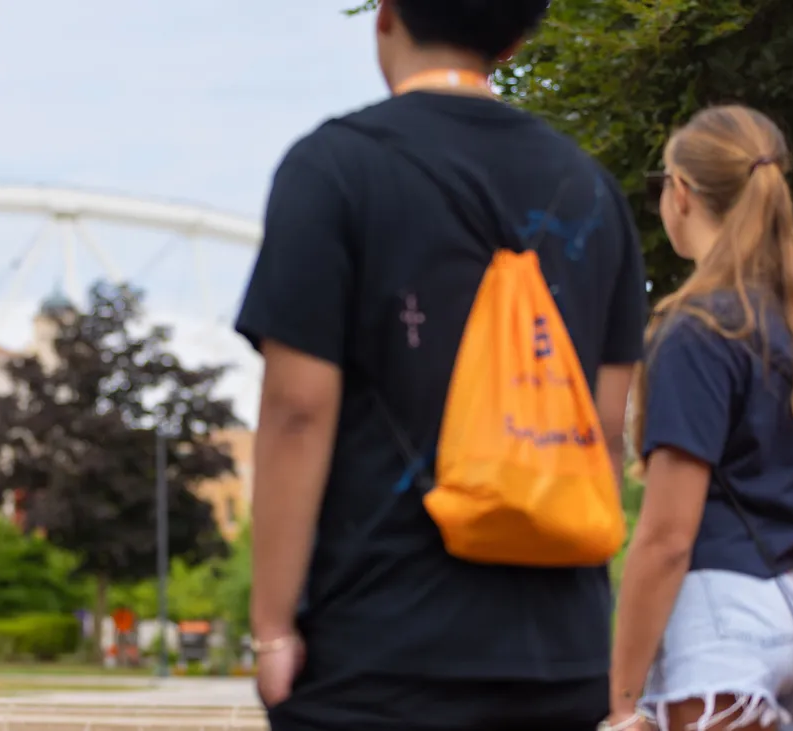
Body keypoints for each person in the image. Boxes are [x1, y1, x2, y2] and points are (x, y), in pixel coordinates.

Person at [233, 1, 648, 729]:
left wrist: (273, 625)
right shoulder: (594, 192)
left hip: (379, 641)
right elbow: (607, 422)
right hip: (557, 647)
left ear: (385, 17)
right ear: (519, 38)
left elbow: (298, 408)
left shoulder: (331, 168)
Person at [607, 105, 793, 731]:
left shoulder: (698, 327)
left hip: (719, 617)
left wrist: (620, 698)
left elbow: (667, 536)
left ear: (682, 193)